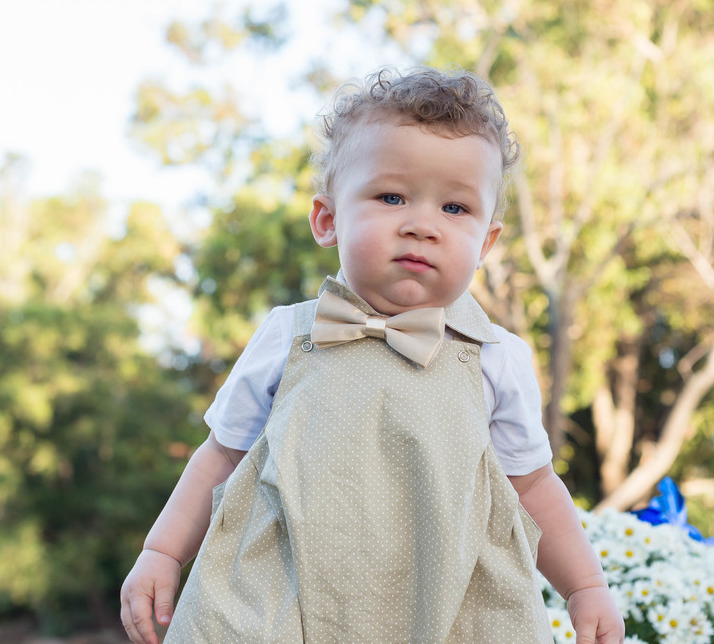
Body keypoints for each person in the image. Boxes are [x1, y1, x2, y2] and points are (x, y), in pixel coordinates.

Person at [120, 67, 625, 644]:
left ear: (487, 241)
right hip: (282, 599)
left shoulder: (492, 358)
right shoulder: (288, 336)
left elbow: (534, 487)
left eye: (455, 209)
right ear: (327, 219)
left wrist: (586, 586)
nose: (421, 226)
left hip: (443, 606)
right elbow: (220, 458)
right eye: (391, 196)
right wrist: (162, 551)